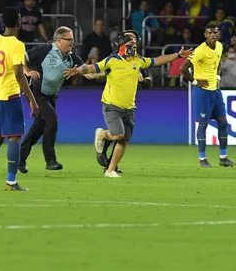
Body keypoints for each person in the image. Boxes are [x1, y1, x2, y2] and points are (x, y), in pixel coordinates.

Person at [64, 32, 193, 177]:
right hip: (112, 105)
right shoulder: (112, 60)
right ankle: (101, 134)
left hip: (130, 108)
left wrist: (178, 55)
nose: (134, 46)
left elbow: (158, 60)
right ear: (122, 46)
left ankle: (110, 170)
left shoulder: (138, 61)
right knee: (119, 134)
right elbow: (93, 67)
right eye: (131, 44)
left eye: (135, 44)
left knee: (124, 140)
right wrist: (78, 70)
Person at [0, 7, 40, 192]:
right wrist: (31, 100)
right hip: (9, 96)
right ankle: (11, 182)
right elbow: (19, 75)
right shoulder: (17, 45)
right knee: (14, 138)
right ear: (19, 23)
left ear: (3, 23)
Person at [18, 27, 85, 173]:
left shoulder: (72, 57)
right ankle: (50, 160)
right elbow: (20, 58)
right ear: (59, 40)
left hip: (50, 96)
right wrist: (28, 71)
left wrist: (88, 72)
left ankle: (20, 158)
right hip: (37, 93)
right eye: (69, 39)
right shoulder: (44, 51)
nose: (72, 42)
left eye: (73, 40)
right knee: (52, 120)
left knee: (39, 128)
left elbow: (86, 69)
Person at [179, 23, 236, 168]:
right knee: (203, 125)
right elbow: (183, 68)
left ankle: (223, 158)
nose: (213, 35)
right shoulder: (200, 50)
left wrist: (217, 78)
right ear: (205, 35)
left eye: (215, 33)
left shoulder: (219, 46)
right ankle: (202, 159)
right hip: (202, 92)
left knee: (223, 122)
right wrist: (195, 81)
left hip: (215, 92)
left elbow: (217, 63)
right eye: (210, 33)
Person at [94, 30, 152, 173]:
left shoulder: (138, 59)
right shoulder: (114, 57)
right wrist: (98, 74)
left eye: (134, 39)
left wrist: (145, 80)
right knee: (118, 135)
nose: (132, 41)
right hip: (114, 101)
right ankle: (104, 151)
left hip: (128, 103)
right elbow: (104, 71)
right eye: (129, 38)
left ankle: (111, 165)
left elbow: (147, 80)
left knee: (122, 137)